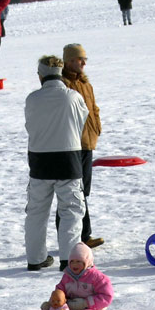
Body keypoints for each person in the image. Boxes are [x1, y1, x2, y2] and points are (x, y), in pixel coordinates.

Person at [24, 55, 89, 271]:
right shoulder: (73, 97)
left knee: (36, 212)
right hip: (68, 160)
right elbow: (81, 121)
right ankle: (69, 260)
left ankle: (35, 258)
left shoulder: (32, 99)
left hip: (39, 160)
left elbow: (30, 126)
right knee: (71, 211)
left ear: (40, 75)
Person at [2, 242, 113, 310]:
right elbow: (59, 291)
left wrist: (85, 303)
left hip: (91, 308)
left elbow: (106, 296)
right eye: (72, 261)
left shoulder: (97, 278)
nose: (75, 264)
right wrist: (52, 303)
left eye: (79, 261)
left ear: (87, 262)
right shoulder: (67, 276)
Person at [56, 43, 104, 269]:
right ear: (68, 61)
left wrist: (97, 127)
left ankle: (83, 236)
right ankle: (75, 237)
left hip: (86, 144)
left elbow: (94, 109)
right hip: (71, 145)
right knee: (71, 193)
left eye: (84, 59)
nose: (83, 63)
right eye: (78, 59)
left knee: (84, 191)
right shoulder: (63, 84)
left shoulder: (85, 83)